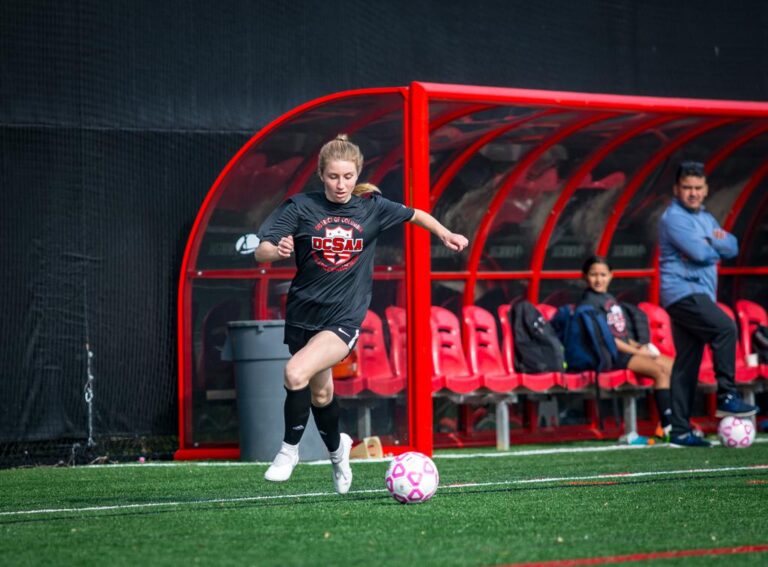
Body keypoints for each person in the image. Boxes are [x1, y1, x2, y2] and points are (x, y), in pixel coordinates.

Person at [253, 134, 468, 493]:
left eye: (348, 177)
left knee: (294, 372)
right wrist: (276, 251)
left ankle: (288, 452)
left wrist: (445, 233)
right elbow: (261, 251)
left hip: (343, 318)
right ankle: (339, 453)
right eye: (334, 177)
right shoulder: (300, 207)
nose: (341, 184)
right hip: (303, 315)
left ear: (357, 176)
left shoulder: (371, 207)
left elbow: (416, 214)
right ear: (322, 175)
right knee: (320, 395)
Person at [659, 160, 759, 448]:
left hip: (697, 293)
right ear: (677, 189)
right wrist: (713, 242)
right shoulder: (673, 218)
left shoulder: (704, 218)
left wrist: (711, 241)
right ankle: (728, 395)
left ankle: (679, 431)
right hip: (683, 293)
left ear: (705, 190)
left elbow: (733, 246)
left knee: (687, 363)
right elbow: (700, 252)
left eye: (697, 188)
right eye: (687, 187)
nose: (692, 193)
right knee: (725, 328)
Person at [580, 255, 674, 441]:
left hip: (627, 350)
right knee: (660, 371)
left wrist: (640, 346)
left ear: (611, 275)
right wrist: (638, 352)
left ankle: (679, 419)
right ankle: (668, 425)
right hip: (613, 356)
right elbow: (609, 340)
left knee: (675, 367)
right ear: (585, 276)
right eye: (593, 274)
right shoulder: (589, 303)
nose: (598, 279)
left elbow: (621, 334)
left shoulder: (609, 299)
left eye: (603, 274)